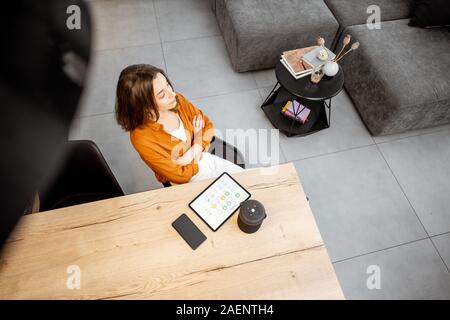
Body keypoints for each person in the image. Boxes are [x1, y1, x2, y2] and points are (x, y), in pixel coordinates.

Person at [115, 64, 244, 185]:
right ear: (143, 106)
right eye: (162, 95)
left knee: (247, 184)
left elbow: (208, 126)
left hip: (204, 157)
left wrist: (193, 151)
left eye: (167, 85)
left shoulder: (178, 101)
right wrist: (198, 141)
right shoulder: (141, 138)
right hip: (189, 178)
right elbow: (180, 176)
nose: (173, 94)